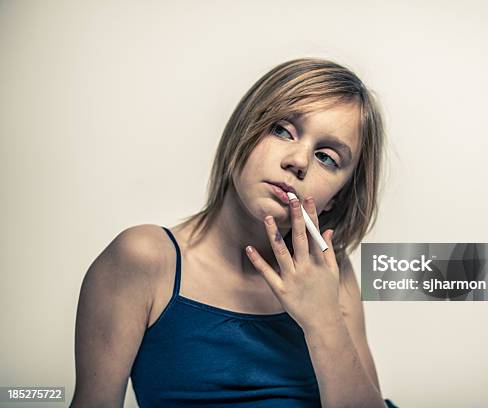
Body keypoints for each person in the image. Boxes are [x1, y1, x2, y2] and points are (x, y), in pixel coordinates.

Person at [71, 58, 396, 407]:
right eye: (282, 130)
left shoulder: (330, 271)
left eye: (327, 157)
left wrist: (325, 320)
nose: (298, 161)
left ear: (336, 198)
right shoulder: (143, 260)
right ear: (244, 133)